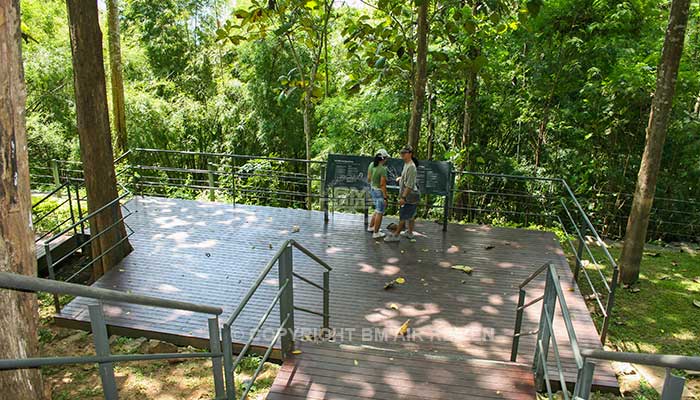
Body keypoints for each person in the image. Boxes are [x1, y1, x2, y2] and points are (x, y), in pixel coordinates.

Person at [385, 145, 419, 242]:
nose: (402, 155)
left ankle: (396, 236)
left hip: (410, 196)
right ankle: (410, 232)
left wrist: (403, 198)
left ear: (410, 154)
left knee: (403, 216)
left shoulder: (412, 167)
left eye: (404, 153)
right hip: (409, 195)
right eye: (401, 153)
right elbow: (407, 178)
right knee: (411, 215)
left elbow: (409, 185)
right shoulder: (406, 164)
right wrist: (400, 179)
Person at [367, 149, 390, 239]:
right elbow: (382, 184)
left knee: (377, 210)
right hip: (379, 191)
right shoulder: (383, 169)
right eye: (386, 158)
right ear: (383, 158)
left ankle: (371, 227)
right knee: (380, 212)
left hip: (372, 189)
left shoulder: (371, 165)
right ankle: (376, 233)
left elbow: (369, 179)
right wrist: (385, 197)